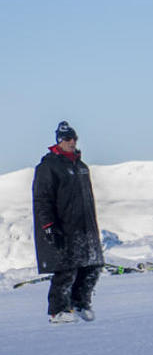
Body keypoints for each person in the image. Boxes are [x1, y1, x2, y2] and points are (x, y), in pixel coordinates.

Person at [32, 121, 104, 324]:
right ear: (59, 141)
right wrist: (48, 225)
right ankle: (58, 310)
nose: (72, 142)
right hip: (63, 226)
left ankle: (80, 303)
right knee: (66, 269)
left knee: (93, 265)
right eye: (67, 139)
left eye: (74, 139)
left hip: (85, 226)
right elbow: (42, 199)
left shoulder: (81, 167)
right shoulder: (49, 167)